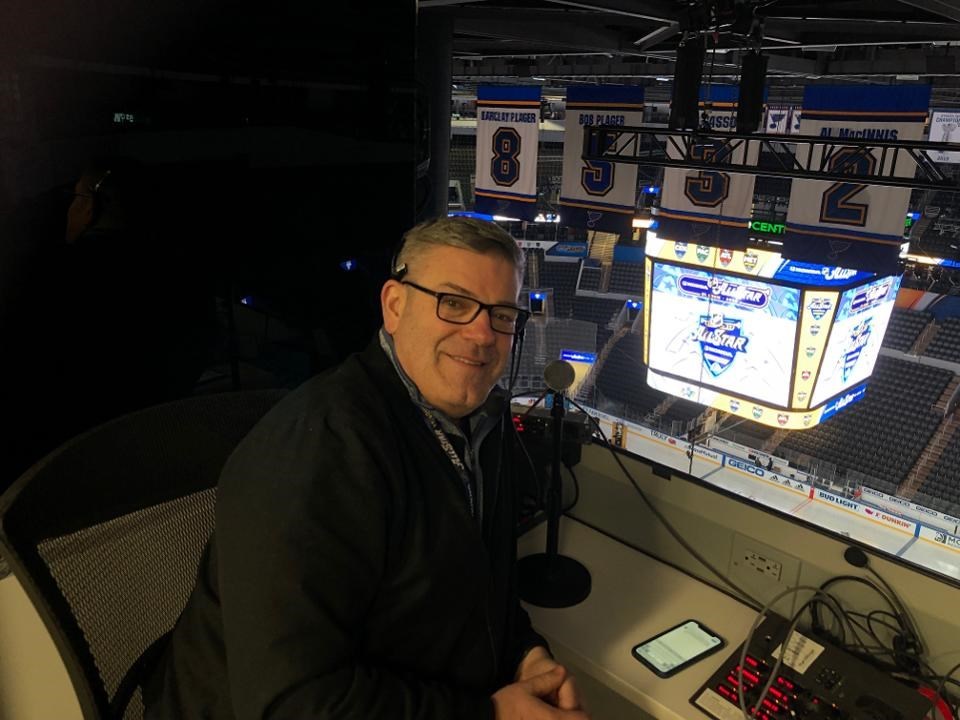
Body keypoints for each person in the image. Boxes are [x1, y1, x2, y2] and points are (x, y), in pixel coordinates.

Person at [144, 216, 590, 720]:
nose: (482, 333)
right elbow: (291, 705)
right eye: (455, 303)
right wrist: (489, 714)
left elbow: (484, 589)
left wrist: (524, 656)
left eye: (502, 313)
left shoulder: (482, 425)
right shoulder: (316, 455)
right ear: (395, 306)